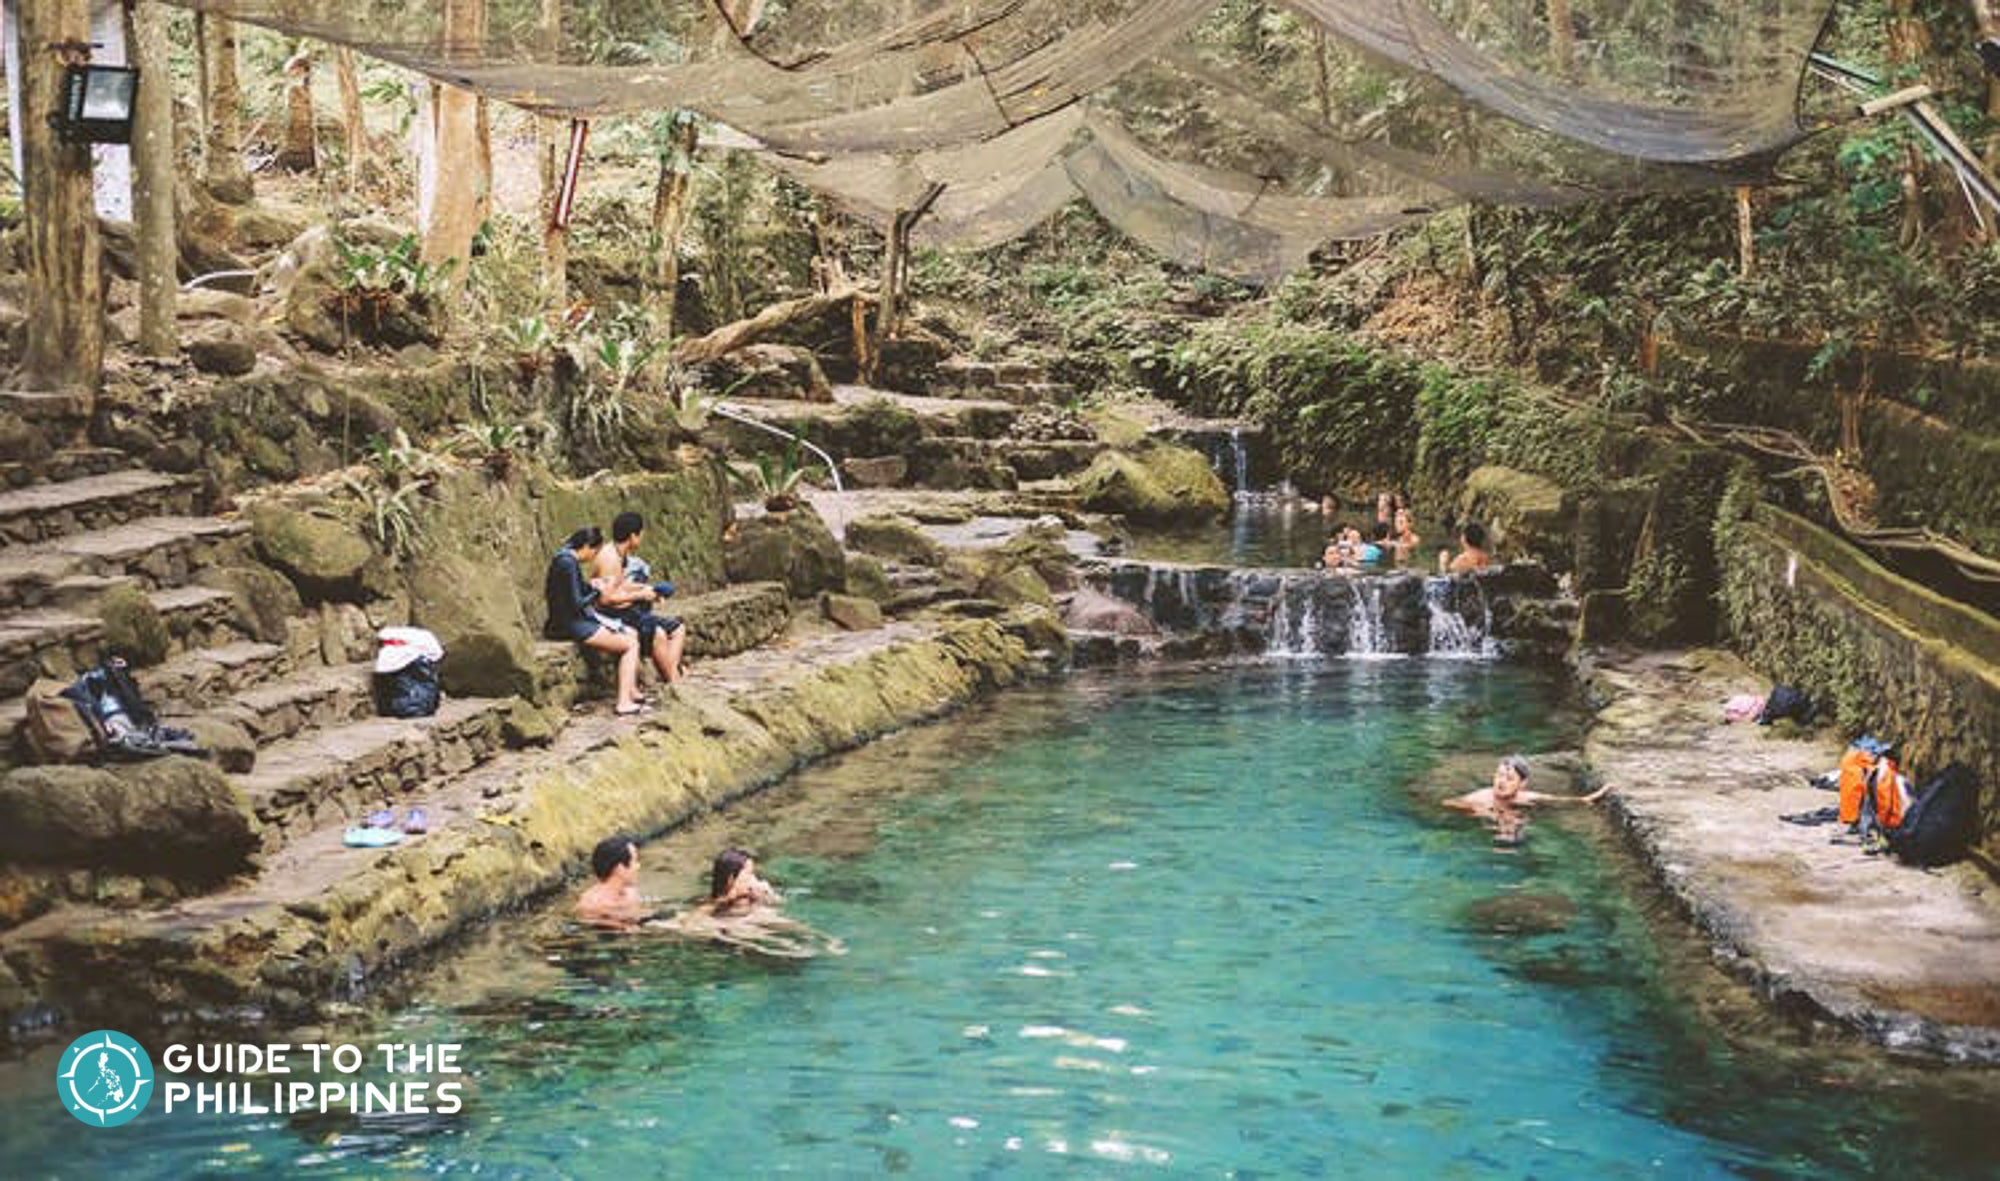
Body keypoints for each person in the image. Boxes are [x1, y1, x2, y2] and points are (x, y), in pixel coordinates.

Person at [544, 526, 645, 715]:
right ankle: (623, 701)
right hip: (571, 624)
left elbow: (574, 590)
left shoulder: (564, 559)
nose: (593, 558)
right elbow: (576, 603)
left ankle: (631, 689)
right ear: (587, 547)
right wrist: (599, 591)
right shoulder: (568, 563)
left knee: (631, 632)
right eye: (595, 552)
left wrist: (592, 585)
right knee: (630, 644)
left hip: (570, 619)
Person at [592, 511, 687, 686]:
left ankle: (673, 675)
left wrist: (647, 589)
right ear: (633, 535)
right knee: (658, 634)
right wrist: (640, 595)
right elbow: (605, 599)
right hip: (614, 615)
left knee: (677, 629)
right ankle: (674, 680)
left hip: (627, 610)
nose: (641, 538)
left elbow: (619, 586)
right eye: (640, 534)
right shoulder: (609, 559)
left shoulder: (619, 554)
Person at [1443, 756, 1609, 817]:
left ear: (1522, 784)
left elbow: (1558, 800)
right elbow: (1447, 803)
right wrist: (1479, 810)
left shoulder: (1526, 797)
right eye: (1499, 775)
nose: (1501, 782)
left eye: (1509, 778)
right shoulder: (1481, 797)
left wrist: (1587, 799)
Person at [576, 834, 646, 928]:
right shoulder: (591, 905)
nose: (638, 866)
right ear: (620, 869)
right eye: (635, 861)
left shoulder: (631, 893)